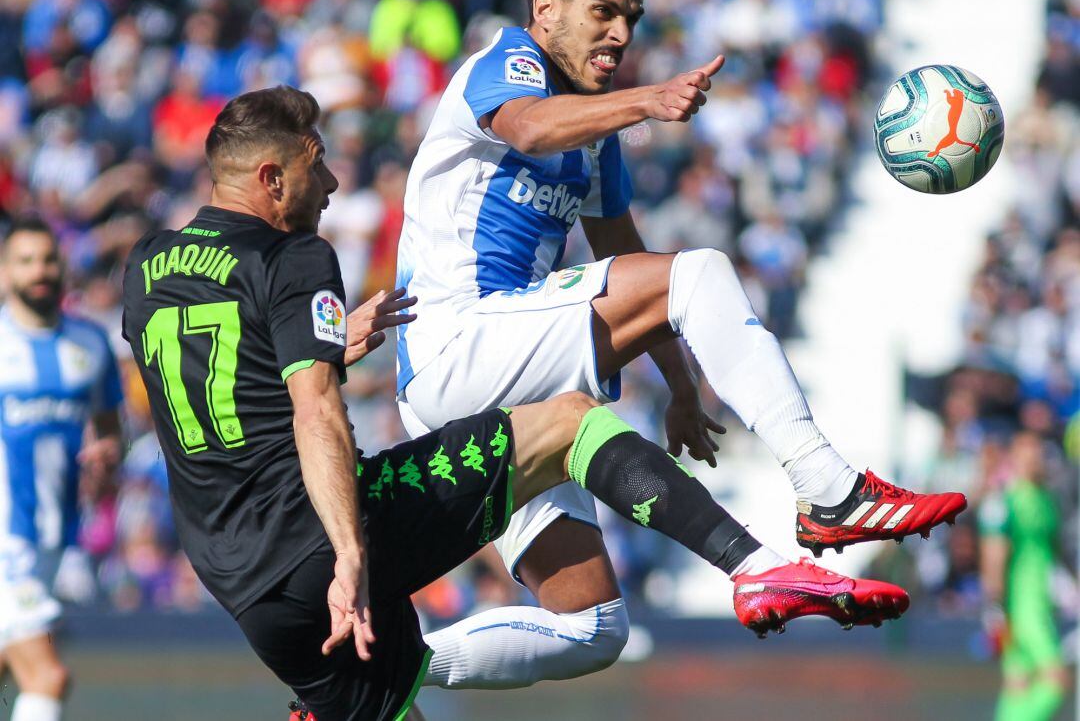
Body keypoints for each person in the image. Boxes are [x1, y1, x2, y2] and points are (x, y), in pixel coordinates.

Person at [121, 85, 912, 721]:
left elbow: (213, 381)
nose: (329, 185)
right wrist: (353, 555)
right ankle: (760, 568)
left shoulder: (147, 268)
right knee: (570, 421)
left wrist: (323, 346)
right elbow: (313, 413)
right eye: (314, 166)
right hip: (325, 547)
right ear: (270, 179)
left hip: (243, 588)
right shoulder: (297, 256)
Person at [386, 0, 968, 691]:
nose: (620, 32)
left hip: (484, 379)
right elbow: (530, 130)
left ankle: (378, 672)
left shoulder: (592, 131)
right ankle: (831, 490)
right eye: (604, 11)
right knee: (700, 271)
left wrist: (681, 388)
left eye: (631, 16)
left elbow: (622, 255)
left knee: (591, 630)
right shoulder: (506, 63)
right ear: (544, 13)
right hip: (459, 339)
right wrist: (648, 100)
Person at [0, 218, 124, 721]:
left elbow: (110, 429)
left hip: (54, 536)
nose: (40, 271)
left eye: (48, 259)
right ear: (6, 272)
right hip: (7, 540)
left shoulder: (90, 344)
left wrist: (108, 453)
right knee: (47, 676)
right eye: (26, 261)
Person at [979, 431, 1067, 721]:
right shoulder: (1005, 500)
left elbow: (1056, 552)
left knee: (1018, 684)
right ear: (1014, 459)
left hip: (1043, 601)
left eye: (1038, 455)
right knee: (1056, 679)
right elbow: (994, 551)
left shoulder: (1046, 500)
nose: (1035, 461)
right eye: (1028, 455)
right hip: (1020, 605)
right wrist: (994, 605)